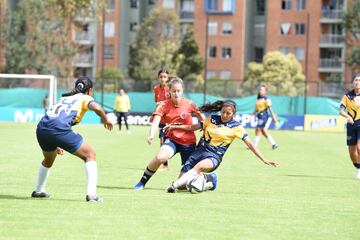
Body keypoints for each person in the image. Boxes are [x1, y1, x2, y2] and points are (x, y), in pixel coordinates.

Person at [165, 100, 278, 193]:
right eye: (223, 112)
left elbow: (250, 144)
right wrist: (175, 127)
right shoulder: (211, 119)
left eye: (228, 114)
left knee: (197, 168)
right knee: (184, 185)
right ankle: (208, 180)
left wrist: (264, 159)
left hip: (214, 156)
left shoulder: (237, 127)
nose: (224, 115)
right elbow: (192, 127)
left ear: (233, 114)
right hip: (198, 152)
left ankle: (174, 185)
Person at [32, 76, 113, 202]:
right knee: (90, 154)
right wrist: (106, 119)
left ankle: (38, 190)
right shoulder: (85, 97)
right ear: (90, 90)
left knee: (48, 160)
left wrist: (56, 141)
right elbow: (97, 107)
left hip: (42, 128)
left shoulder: (64, 98)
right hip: (58, 130)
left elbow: (53, 117)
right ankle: (91, 195)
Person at [134, 77, 205, 190]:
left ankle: (209, 180)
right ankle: (142, 183)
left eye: (179, 91)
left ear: (182, 90)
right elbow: (156, 121)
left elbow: (203, 120)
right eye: (174, 91)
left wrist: (204, 128)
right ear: (169, 92)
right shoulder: (163, 105)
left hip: (188, 143)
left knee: (182, 186)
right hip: (172, 140)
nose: (176, 93)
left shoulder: (190, 104)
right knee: (160, 157)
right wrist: (151, 135)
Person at [340, 73, 360, 180]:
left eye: (359, 80)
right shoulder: (347, 96)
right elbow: (341, 111)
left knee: (359, 147)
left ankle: (359, 170)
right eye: (356, 80)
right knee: (352, 152)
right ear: (353, 83)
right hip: (351, 125)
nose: (358, 82)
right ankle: (357, 167)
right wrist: (347, 116)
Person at [153, 69, 171, 170]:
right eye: (161, 77)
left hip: (170, 118)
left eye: (164, 77)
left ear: (167, 78)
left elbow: (170, 102)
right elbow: (156, 102)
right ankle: (165, 165)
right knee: (162, 140)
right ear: (158, 78)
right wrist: (154, 114)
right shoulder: (156, 89)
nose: (162, 79)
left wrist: (162, 103)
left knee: (170, 141)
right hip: (161, 119)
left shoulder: (170, 89)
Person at [251, 85, 279, 150]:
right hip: (259, 116)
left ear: (265, 91)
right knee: (263, 131)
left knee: (258, 129)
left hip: (264, 116)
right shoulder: (258, 98)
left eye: (262, 90)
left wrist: (274, 118)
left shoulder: (267, 99)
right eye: (260, 89)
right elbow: (256, 108)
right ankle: (274, 144)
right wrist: (252, 114)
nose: (260, 91)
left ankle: (254, 146)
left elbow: (270, 109)